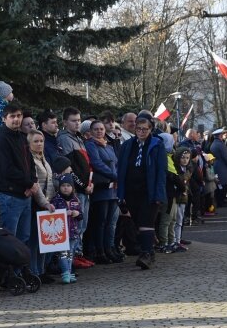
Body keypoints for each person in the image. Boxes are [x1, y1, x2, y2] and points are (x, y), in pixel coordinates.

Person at [117, 117, 167, 270]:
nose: (141, 132)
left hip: (149, 190)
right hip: (132, 191)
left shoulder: (157, 145)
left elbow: (161, 171)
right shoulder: (127, 145)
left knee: (146, 221)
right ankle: (149, 250)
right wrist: (121, 193)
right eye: (138, 129)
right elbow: (121, 169)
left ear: (150, 129)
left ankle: (145, 254)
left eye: (144, 129)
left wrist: (159, 194)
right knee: (139, 222)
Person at [0, 102, 36, 248]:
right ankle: (10, 271)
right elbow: (7, 169)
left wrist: (33, 182)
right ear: (4, 118)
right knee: (10, 239)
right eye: (12, 116)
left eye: (19, 116)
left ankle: (19, 271)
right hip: (10, 196)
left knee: (24, 236)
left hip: (25, 194)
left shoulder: (21, 136)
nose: (16, 119)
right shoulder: (1, 139)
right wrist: (29, 183)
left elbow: (30, 161)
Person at [56, 107, 92, 260]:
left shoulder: (79, 138)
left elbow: (86, 165)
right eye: (73, 121)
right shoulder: (64, 139)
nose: (77, 123)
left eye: (79, 120)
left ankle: (77, 253)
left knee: (83, 224)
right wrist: (82, 185)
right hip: (77, 189)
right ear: (65, 122)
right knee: (76, 225)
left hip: (85, 188)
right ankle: (72, 256)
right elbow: (71, 168)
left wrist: (90, 183)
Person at [84, 121, 120, 264]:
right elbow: (97, 163)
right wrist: (114, 176)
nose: (99, 131)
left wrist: (117, 176)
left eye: (101, 129)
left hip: (113, 188)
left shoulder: (109, 145)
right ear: (91, 131)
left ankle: (109, 248)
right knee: (101, 221)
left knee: (110, 222)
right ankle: (100, 251)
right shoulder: (91, 145)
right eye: (96, 129)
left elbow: (116, 163)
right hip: (102, 187)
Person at [27, 129, 56, 279]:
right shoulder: (31, 160)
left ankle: (42, 270)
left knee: (44, 240)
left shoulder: (43, 158)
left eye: (41, 141)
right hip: (36, 204)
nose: (39, 144)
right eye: (36, 141)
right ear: (29, 143)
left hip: (47, 202)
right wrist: (44, 203)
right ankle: (35, 271)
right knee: (34, 241)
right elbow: (35, 184)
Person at [50, 174, 82, 284]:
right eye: (63, 185)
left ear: (72, 187)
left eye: (68, 185)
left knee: (70, 253)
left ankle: (70, 272)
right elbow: (51, 216)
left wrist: (77, 213)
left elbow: (81, 215)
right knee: (63, 253)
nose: (66, 188)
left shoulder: (75, 199)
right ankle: (65, 273)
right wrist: (64, 213)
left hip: (73, 231)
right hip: (61, 232)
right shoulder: (55, 200)